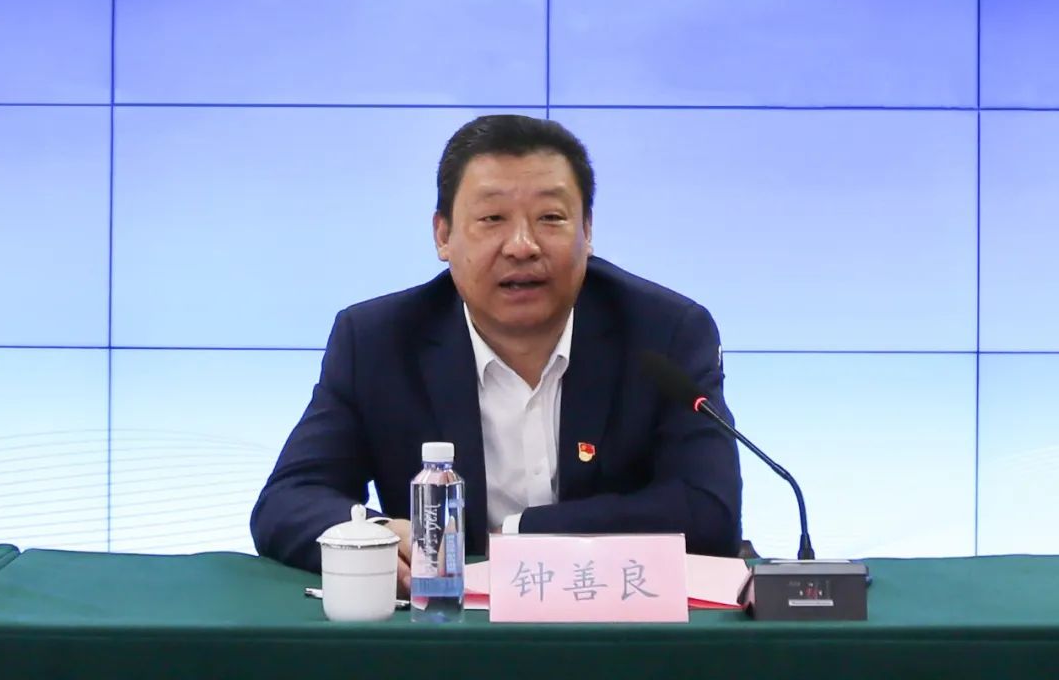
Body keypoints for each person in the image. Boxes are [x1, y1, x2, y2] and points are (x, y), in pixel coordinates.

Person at [251, 114, 742, 592]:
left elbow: (707, 511)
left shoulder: (666, 333)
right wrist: (374, 535)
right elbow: (288, 501)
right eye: (492, 219)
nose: (522, 246)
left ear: (587, 232)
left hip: (620, 623)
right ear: (443, 235)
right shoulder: (378, 341)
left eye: (551, 218)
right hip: (447, 634)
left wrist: (517, 536)